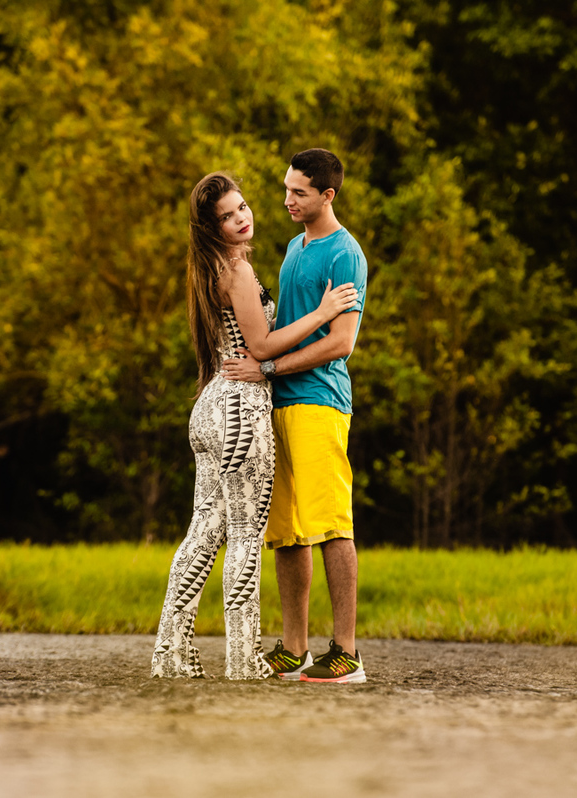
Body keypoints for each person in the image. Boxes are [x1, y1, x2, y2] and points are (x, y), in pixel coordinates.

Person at [151, 172, 359, 679]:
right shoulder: (236, 271)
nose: (242, 217)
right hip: (241, 408)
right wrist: (324, 311)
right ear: (210, 226)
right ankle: (244, 659)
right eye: (228, 214)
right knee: (246, 535)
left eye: (242, 206)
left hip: (210, 406)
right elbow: (263, 346)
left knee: (203, 533)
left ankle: (171, 653)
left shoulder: (207, 269)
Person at [222, 148, 369, 684]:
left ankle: (347, 653)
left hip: (319, 403)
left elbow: (341, 342)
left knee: (333, 526)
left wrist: (271, 368)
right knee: (286, 532)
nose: (286, 200)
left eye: (299, 192)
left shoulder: (344, 254)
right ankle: (294, 647)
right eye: (285, 189)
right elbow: (284, 324)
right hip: (279, 404)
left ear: (327, 195)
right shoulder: (291, 247)